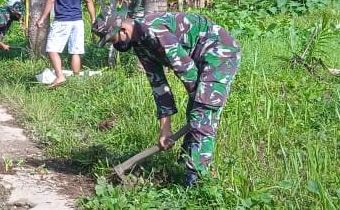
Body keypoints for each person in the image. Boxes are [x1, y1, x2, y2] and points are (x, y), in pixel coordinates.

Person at [97, 10, 240, 186]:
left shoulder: (153, 30)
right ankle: (184, 165)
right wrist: (165, 130)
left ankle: (197, 181)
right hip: (200, 57)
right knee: (197, 112)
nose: (114, 44)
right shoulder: (140, 44)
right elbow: (158, 85)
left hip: (220, 52)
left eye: (112, 39)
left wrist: (202, 108)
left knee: (201, 115)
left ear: (123, 30)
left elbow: (186, 70)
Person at [36, 0, 97, 88]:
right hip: (77, 22)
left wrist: (42, 18)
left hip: (62, 20)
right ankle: (76, 79)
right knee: (76, 51)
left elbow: (51, 0)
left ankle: (60, 76)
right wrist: (93, 19)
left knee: (52, 49)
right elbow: (89, 1)